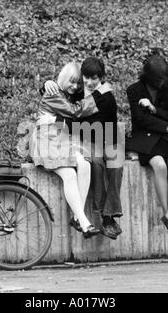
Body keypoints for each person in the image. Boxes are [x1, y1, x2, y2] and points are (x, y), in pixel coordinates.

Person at [43, 57, 124, 240]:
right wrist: (46, 83)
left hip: (106, 137)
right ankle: (104, 216)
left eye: (94, 78)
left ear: (101, 77)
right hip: (85, 140)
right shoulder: (77, 93)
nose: (89, 82)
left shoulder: (106, 97)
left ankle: (109, 214)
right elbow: (60, 98)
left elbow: (104, 124)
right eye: (86, 77)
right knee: (95, 162)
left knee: (116, 165)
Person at [29, 62, 111, 239]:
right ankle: (84, 222)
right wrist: (99, 93)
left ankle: (77, 218)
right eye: (71, 82)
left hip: (62, 137)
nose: (75, 87)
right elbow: (75, 111)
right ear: (64, 79)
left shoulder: (64, 93)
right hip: (49, 140)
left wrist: (54, 116)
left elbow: (66, 116)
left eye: (77, 83)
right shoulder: (54, 93)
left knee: (85, 164)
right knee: (70, 175)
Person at [125, 50, 168, 234]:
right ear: (148, 77)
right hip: (144, 136)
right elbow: (140, 120)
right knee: (159, 165)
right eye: (157, 79)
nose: (161, 83)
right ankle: (167, 212)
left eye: (163, 79)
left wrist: (154, 109)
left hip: (166, 135)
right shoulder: (134, 90)